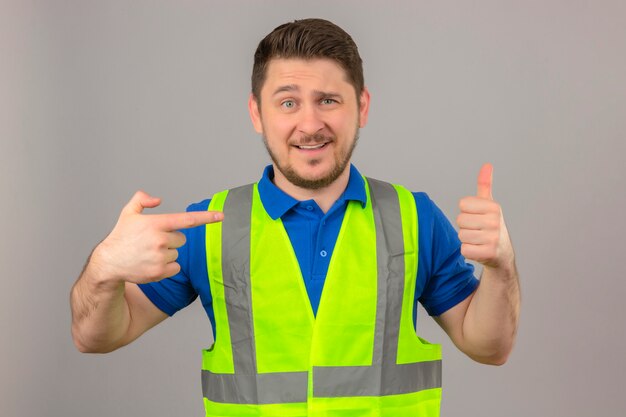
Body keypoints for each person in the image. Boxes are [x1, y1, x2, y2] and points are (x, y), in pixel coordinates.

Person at [71, 18, 520, 416]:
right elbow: (96, 337)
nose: (309, 124)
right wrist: (103, 269)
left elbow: (489, 346)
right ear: (257, 114)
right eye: (287, 103)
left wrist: (501, 267)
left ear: (361, 107)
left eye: (328, 100)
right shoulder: (209, 227)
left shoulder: (413, 218)